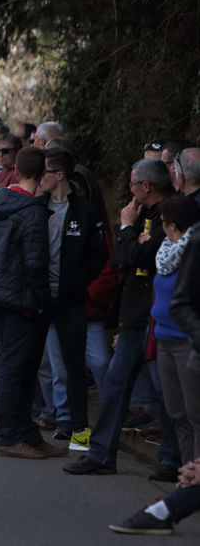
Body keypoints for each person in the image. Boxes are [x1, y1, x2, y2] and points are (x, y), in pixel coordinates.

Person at [66, 158, 180, 477]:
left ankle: (172, 459)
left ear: (146, 186)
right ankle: (101, 455)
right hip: (134, 314)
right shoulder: (141, 212)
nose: (129, 191)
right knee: (116, 384)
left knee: (161, 390)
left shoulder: (170, 213)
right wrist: (131, 239)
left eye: (132, 184)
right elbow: (120, 258)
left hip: (155, 316)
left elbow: (148, 256)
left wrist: (129, 230)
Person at [0, 147, 68, 459]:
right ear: (43, 175)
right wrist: (44, 304)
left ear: (15, 168)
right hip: (21, 299)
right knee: (17, 368)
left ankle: (26, 433)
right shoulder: (31, 211)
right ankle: (10, 435)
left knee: (20, 366)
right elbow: (35, 264)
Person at [36, 147, 109, 448]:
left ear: (59, 175)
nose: (39, 179)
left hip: (72, 302)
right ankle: (51, 420)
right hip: (40, 302)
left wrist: (76, 285)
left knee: (75, 366)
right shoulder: (36, 208)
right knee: (46, 366)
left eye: (44, 173)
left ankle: (80, 431)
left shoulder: (84, 210)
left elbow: (98, 255)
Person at [152, 196, 200, 464]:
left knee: (195, 415)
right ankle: (186, 478)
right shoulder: (166, 251)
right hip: (164, 340)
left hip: (187, 343)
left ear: (172, 224)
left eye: (163, 223)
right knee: (177, 414)